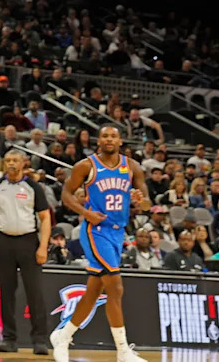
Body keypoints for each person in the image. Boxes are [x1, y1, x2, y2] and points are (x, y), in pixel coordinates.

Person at [51, 125, 149, 362]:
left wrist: (141, 200)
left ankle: (63, 335)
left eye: (113, 136)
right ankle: (123, 350)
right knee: (115, 286)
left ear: (120, 140)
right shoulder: (86, 165)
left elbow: (146, 203)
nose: (109, 139)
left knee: (94, 292)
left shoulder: (132, 166)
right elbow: (65, 195)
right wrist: (86, 213)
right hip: (95, 230)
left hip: (118, 233)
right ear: (99, 140)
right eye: (105, 135)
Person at [0, 150, 51, 354]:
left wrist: (43, 246)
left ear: (23, 163)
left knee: (35, 293)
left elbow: (45, 218)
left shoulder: (33, 187)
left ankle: (39, 340)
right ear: (4, 163)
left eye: (15, 160)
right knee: (6, 292)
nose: (11, 163)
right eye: (8, 160)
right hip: (4, 242)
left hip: (29, 241)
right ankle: (9, 338)